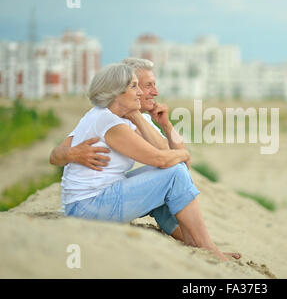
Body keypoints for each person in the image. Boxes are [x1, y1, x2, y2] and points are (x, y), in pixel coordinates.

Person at [50, 63, 237, 261]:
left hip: (86, 203)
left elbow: (165, 156)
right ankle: (209, 249)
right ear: (116, 92)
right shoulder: (109, 122)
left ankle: (198, 244)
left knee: (166, 175)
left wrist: (167, 132)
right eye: (134, 86)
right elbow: (162, 159)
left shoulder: (111, 117)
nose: (141, 92)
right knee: (173, 174)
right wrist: (73, 154)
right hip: (88, 208)